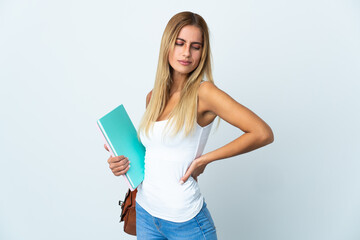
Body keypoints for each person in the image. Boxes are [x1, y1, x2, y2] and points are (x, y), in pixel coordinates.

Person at [105, 11, 274, 240]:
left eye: (196, 46)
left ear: (203, 52)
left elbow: (262, 133)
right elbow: (155, 154)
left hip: (186, 223)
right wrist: (122, 161)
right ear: (168, 46)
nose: (187, 52)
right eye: (180, 43)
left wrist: (206, 159)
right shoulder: (153, 97)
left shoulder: (205, 93)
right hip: (146, 214)